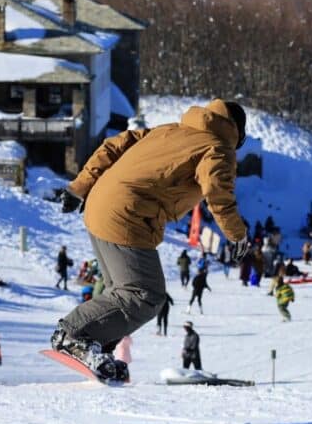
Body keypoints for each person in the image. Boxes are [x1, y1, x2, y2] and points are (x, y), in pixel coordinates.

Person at [50, 99, 249, 381]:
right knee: (145, 294)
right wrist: (237, 234)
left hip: (100, 204)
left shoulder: (169, 130)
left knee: (121, 291)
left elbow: (113, 145)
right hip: (126, 215)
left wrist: (80, 187)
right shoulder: (216, 148)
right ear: (237, 133)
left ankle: (94, 347)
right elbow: (218, 193)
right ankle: (73, 336)